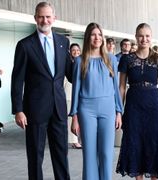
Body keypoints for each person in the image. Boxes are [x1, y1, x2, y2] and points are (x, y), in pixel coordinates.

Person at [11, 2, 72, 180]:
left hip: (58, 109)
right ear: (35, 17)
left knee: (61, 155)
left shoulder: (63, 42)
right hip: (34, 110)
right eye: (41, 16)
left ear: (54, 18)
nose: (44, 20)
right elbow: (17, 80)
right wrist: (18, 110)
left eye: (48, 16)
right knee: (36, 157)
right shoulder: (25, 45)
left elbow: (71, 73)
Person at [116, 23, 158, 180]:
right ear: (136, 37)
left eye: (147, 36)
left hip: (153, 106)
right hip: (133, 106)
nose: (144, 39)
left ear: (151, 37)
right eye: (141, 35)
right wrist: (118, 111)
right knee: (135, 143)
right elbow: (121, 87)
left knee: (154, 144)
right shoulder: (126, 59)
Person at [69, 22, 123, 180]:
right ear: (87, 37)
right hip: (87, 110)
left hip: (108, 109)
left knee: (107, 153)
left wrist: (119, 111)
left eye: (99, 35)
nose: (97, 38)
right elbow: (76, 90)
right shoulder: (80, 61)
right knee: (90, 154)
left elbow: (116, 87)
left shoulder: (111, 59)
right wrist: (74, 116)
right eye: (93, 34)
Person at [67, 43, 82, 149]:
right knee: (71, 118)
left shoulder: (81, 62)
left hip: (79, 93)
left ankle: (77, 138)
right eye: (73, 50)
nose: (76, 52)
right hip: (69, 92)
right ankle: (73, 141)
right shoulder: (68, 63)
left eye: (77, 50)